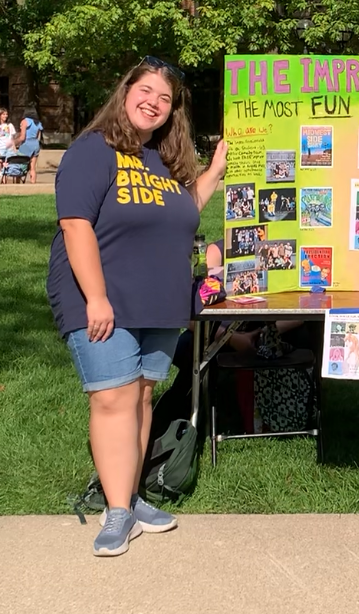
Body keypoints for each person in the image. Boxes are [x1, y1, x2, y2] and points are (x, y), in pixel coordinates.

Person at [47, 58, 228, 558]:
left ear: (172, 112)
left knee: (142, 395)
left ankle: (129, 495)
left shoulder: (162, 160)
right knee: (111, 397)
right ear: (125, 93)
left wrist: (213, 173)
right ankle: (117, 512)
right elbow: (75, 225)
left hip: (159, 299)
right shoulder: (94, 149)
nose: (153, 102)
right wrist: (97, 297)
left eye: (165, 98)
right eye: (145, 90)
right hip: (102, 297)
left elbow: (183, 210)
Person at [15, 105, 43, 184]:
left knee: (19, 165)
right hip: (35, 144)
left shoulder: (25, 121)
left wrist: (13, 142)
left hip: (26, 144)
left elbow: (22, 137)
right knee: (33, 167)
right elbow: (38, 137)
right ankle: (33, 184)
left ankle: (17, 185)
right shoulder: (38, 123)